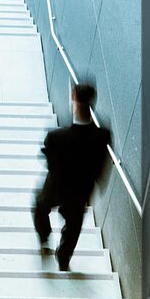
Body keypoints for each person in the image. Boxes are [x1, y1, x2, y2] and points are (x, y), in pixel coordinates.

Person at [32, 83, 111, 271]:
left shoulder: (55, 137)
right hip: (80, 192)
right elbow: (100, 170)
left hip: (55, 188)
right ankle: (63, 257)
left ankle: (44, 237)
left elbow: (50, 164)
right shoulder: (102, 136)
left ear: (74, 100)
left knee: (40, 206)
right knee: (73, 226)